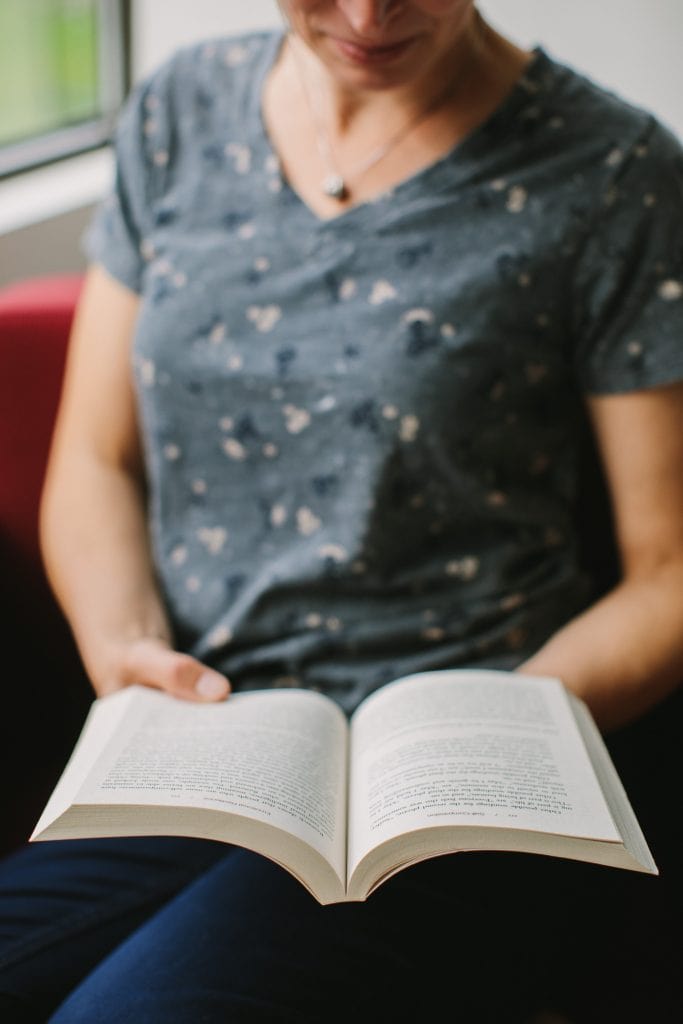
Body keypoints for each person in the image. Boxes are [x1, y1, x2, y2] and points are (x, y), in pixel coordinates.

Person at [1, 1, 682, 1020]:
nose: (367, 15)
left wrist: (505, 732)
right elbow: (96, 459)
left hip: (449, 799)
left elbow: (668, 568)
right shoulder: (177, 112)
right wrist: (122, 647)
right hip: (207, 748)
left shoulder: (612, 168)